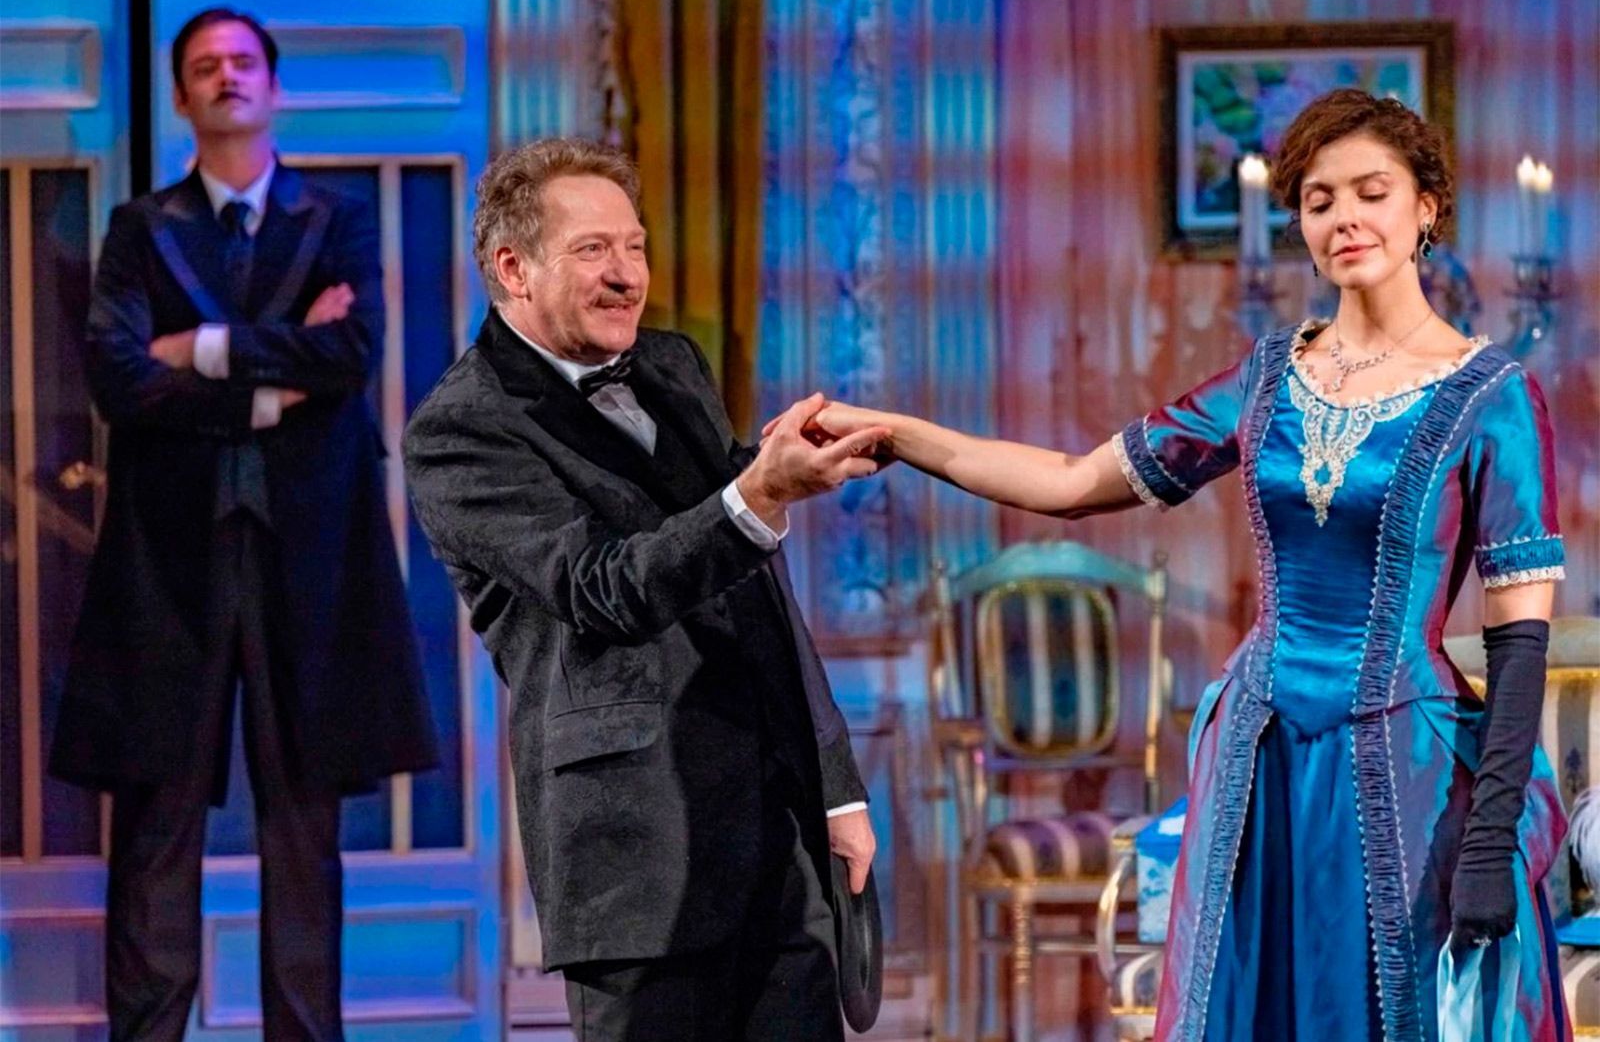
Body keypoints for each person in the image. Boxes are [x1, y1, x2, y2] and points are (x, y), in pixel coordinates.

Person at [809, 89, 1571, 1040]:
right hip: (1259, 758)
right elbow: (1072, 479)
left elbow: (1519, 646)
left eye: (1371, 191)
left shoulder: (1495, 396)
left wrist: (1492, 836)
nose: (1344, 217)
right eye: (1320, 199)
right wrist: (898, 434)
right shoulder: (1267, 377)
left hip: (1404, 766)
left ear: (1426, 207)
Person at [402, 138, 882, 1042]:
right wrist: (760, 491)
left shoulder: (672, 365)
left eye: (636, 246)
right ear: (513, 268)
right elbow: (604, 587)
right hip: (635, 866)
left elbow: (757, 591)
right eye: (593, 250)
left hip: (776, 842)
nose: (627, 275)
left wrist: (836, 787)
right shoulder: (459, 429)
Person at [49, 7, 439, 1042]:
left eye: (242, 61)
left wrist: (201, 350)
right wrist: (273, 380)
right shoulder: (141, 228)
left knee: (304, 824)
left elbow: (349, 354)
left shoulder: (336, 219)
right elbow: (120, 380)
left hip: (308, 554)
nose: (226, 76)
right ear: (182, 95)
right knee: (156, 822)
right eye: (206, 66)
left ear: (273, 85)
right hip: (166, 561)